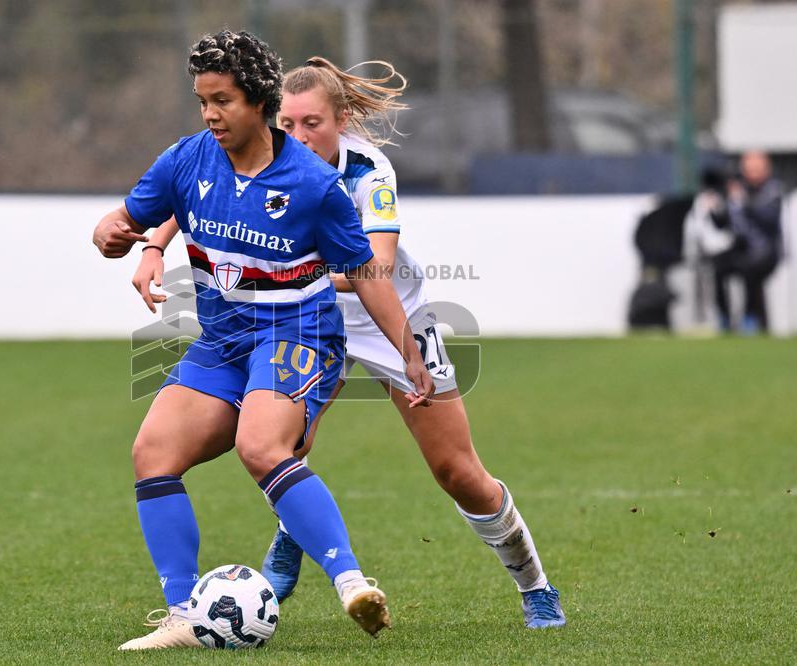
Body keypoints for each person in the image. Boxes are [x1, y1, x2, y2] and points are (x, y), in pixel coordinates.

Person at [131, 57, 565, 629]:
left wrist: (278, 268)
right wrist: (154, 244)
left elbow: (375, 268)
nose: (300, 135)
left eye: (314, 123)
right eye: (289, 122)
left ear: (342, 121)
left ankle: (535, 585)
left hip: (390, 316)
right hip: (307, 318)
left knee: (456, 470)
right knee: (284, 443)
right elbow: (195, 200)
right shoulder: (259, 157)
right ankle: (297, 543)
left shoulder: (366, 171)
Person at [92, 31, 433, 649]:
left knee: (260, 445)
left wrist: (408, 353)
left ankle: (352, 582)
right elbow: (123, 218)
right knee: (153, 453)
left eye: (222, 100)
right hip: (223, 340)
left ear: (257, 101)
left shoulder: (311, 182)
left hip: (299, 333)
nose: (210, 114)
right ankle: (183, 618)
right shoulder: (187, 158)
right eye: (202, 101)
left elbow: (365, 273)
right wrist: (117, 236)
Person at [711, 151, 783, 333]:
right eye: (749, 169)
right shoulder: (736, 189)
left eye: (757, 169)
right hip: (740, 248)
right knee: (718, 267)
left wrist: (745, 202)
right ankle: (725, 319)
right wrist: (715, 210)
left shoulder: (772, 190)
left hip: (766, 252)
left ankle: (749, 320)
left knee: (750, 271)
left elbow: (769, 220)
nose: (753, 173)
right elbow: (723, 224)